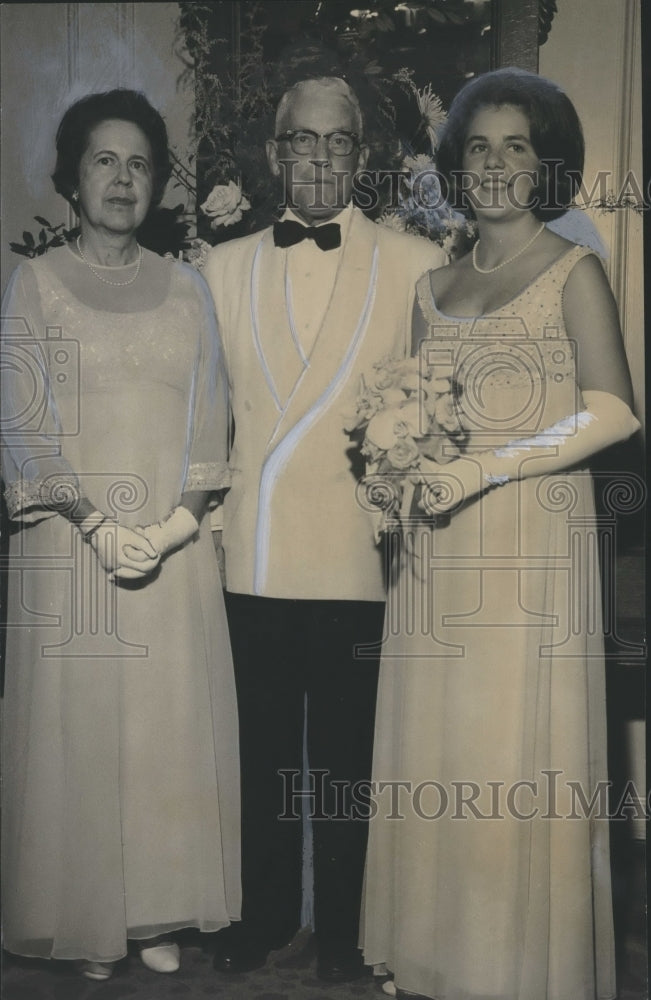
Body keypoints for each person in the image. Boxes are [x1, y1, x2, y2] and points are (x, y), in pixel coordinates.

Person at [361, 68, 640, 1000]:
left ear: (546, 161)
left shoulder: (573, 269)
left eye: (515, 145)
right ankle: (434, 959)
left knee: (507, 758)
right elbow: (414, 417)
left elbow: (612, 413)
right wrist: (391, 476)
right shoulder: (430, 285)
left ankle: (512, 974)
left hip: (528, 548)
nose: (493, 165)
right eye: (476, 146)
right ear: (454, 163)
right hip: (436, 558)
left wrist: (482, 468)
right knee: (438, 756)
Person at [202, 76, 445, 982]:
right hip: (255, 552)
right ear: (274, 155)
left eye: (336, 143)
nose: (318, 159)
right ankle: (264, 918)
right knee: (261, 756)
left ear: (361, 155)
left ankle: (344, 934)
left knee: (349, 763)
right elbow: (204, 421)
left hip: (358, 555)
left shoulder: (415, 262)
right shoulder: (219, 268)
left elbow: (435, 415)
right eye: (300, 141)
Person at [0, 89, 240, 982]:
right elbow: (21, 422)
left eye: (139, 163)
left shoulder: (189, 290)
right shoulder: (35, 283)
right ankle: (86, 912)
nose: (121, 179)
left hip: (168, 555)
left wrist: (176, 525)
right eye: (104, 160)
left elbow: (210, 420)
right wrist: (94, 524)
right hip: (72, 547)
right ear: (71, 176)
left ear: (159, 184)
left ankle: (151, 914)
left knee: (160, 729)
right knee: (81, 727)